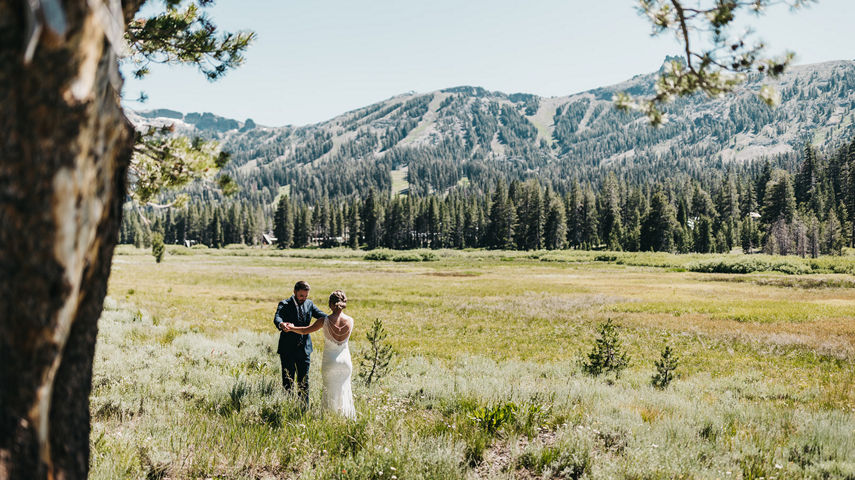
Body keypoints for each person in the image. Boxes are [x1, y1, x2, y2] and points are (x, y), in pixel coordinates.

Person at [283, 290, 355, 418]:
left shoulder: (324, 320)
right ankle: (345, 418)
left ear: (331, 304)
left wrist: (292, 328)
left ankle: (329, 418)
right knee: (344, 390)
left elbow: (305, 330)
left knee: (329, 392)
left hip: (331, 362)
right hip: (346, 362)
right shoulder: (350, 320)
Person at [273, 281, 328, 408]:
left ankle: (303, 408)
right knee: (288, 381)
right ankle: (287, 407)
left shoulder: (309, 304)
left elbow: (321, 315)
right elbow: (277, 318)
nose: (304, 299)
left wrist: (336, 317)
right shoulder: (284, 304)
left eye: (306, 296)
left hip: (304, 349)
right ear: (295, 292)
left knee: (304, 381)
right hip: (287, 349)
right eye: (301, 296)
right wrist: (282, 325)